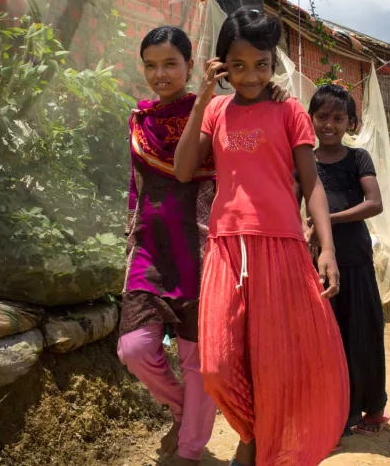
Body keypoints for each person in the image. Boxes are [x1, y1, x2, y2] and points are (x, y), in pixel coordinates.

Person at [174, 6, 349, 466]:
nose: (250, 76)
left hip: (282, 246)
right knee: (216, 366)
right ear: (221, 65)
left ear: (274, 62)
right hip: (226, 246)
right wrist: (202, 98)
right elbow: (184, 168)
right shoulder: (214, 110)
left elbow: (311, 184)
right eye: (238, 65)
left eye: (261, 64)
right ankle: (254, 432)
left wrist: (326, 247)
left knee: (275, 361)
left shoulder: (290, 111)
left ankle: (256, 446)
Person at [117, 26, 290, 466]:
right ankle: (181, 409)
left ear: (190, 66)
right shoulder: (140, 121)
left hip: (200, 247)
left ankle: (191, 450)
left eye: (170, 64)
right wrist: (131, 230)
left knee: (198, 358)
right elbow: (136, 186)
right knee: (133, 348)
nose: (160, 74)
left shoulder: (214, 113)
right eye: (151, 66)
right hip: (150, 249)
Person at [297, 84, 388, 442]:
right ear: (311, 119)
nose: (329, 125)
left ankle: (372, 408)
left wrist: (327, 221)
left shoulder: (357, 158)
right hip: (319, 262)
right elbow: (292, 202)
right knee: (328, 340)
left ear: (350, 122)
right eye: (322, 117)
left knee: (364, 333)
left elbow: (374, 203)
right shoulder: (305, 161)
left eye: (338, 118)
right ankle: (337, 412)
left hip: (355, 259)